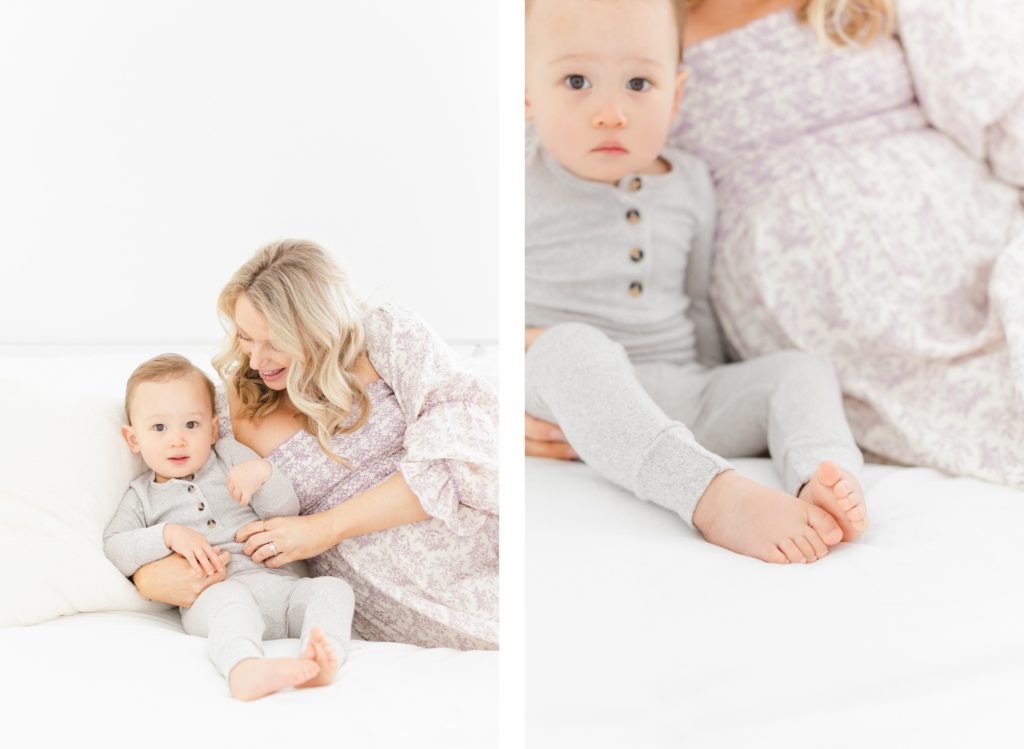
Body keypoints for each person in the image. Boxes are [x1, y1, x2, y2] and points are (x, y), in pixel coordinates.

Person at [525, 0, 869, 565]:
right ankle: (712, 495)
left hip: (682, 391)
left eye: (639, 83)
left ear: (677, 95)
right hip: (569, 401)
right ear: (528, 96)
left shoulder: (690, 183)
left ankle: (823, 475)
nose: (610, 112)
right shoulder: (522, 173)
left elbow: (699, 303)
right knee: (570, 346)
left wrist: (716, 378)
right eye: (576, 81)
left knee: (801, 370)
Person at [660, 0, 1024, 485]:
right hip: (856, 353)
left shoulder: (865, 7)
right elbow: (576, 202)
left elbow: (1003, 111)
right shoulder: (634, 31)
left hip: (986, 258)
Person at [129, 240, 498, 650]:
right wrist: (145, 578)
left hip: (480, 543)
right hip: (399, 597)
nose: (255, 360)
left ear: (320, 327)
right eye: (246, 337)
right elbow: (186, 499)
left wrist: (324, 528)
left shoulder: (386, 335)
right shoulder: (224, 411)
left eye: (275, 342)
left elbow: (461, 454)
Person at [104, 354, 354, 701]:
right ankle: (244, 667)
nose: (177, 440)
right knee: (231, 602)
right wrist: (167, 535)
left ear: (212, 428)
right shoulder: (142, 496)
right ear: (133, 439)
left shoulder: (230, 456)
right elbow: (115, 546)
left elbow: (285, 510)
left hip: (280, 589)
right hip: (215, 597)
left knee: (332, 589)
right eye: (159, 428)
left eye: (190, 425)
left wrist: (263, 475)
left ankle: (324, 655)